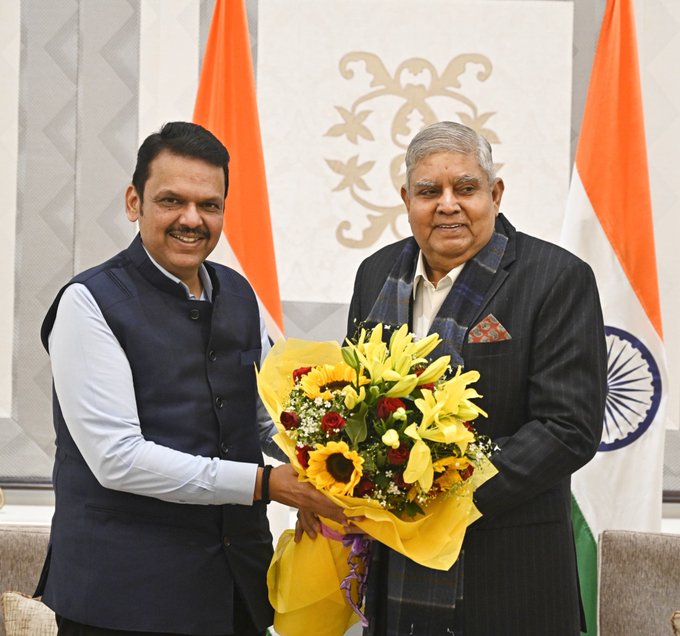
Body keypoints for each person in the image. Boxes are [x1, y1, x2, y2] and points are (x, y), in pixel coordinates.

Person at [36, 121, 345, 636]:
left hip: (235, 587)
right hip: (124, 598)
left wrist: (323, 474)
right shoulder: (88, 303)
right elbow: (118, 460)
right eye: (171, 200)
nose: (191, 219)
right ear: (134, 202)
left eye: (209, 204)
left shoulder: (240, 295)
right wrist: (271, 485)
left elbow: (264, 418)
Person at [346, 121, 607, 635]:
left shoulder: (556, 277)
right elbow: (353, 405)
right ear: (406, 199)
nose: (447, 204)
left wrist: (443, 492)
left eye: (465, 188)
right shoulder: (374, 275)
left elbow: (568, 427)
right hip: (397, 568)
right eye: (429, 191)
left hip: (511, 575)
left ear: (495, 192)